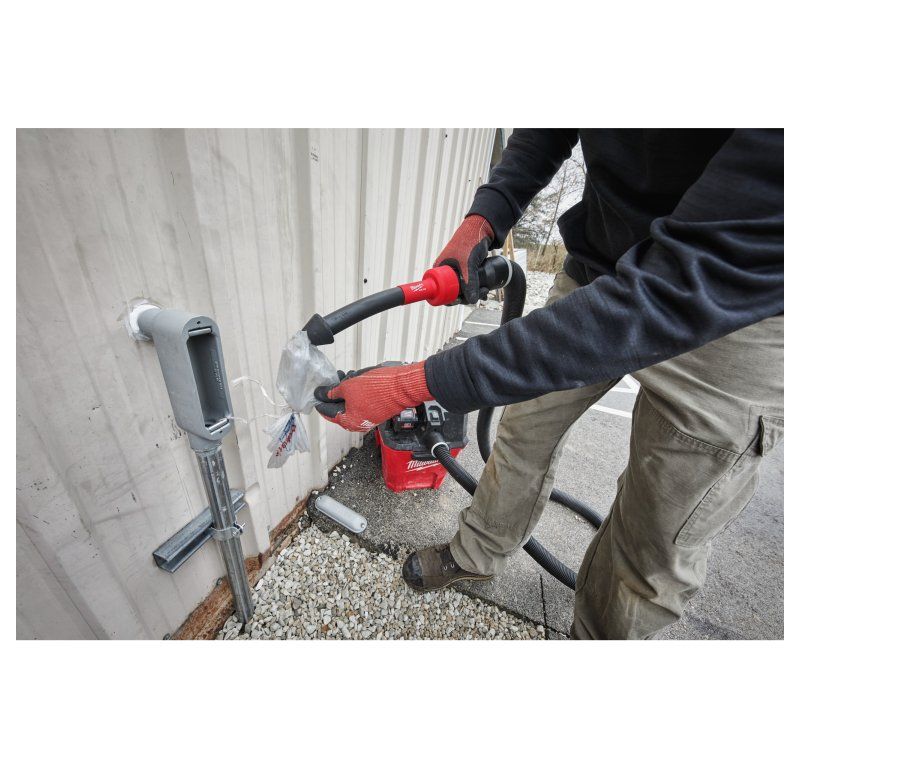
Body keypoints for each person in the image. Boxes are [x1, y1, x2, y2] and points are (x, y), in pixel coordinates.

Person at [315, 129, 784, 639]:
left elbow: (667, 294)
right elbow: (544, 131)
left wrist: (412, 385)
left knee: (657, 530)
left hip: (729, 312)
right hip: (599, 269)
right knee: (524, 430)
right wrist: (484, 218)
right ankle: (479, 552)